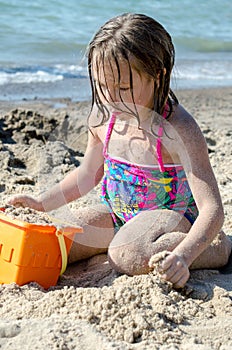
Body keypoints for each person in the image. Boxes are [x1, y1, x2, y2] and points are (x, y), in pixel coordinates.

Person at [9, 13, 231, 288]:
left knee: (125, 254)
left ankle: (217, 248)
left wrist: (184, 256)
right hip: (119, 213)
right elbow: (88, 174)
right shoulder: (103, 118)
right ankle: (126, 238)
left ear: (157, 74)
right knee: (58, 240)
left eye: (123, 88)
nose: (111, 98)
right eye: (102, 86)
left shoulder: (179, 129)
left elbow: (212, 208)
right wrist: (41, 203)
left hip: (173, 218)